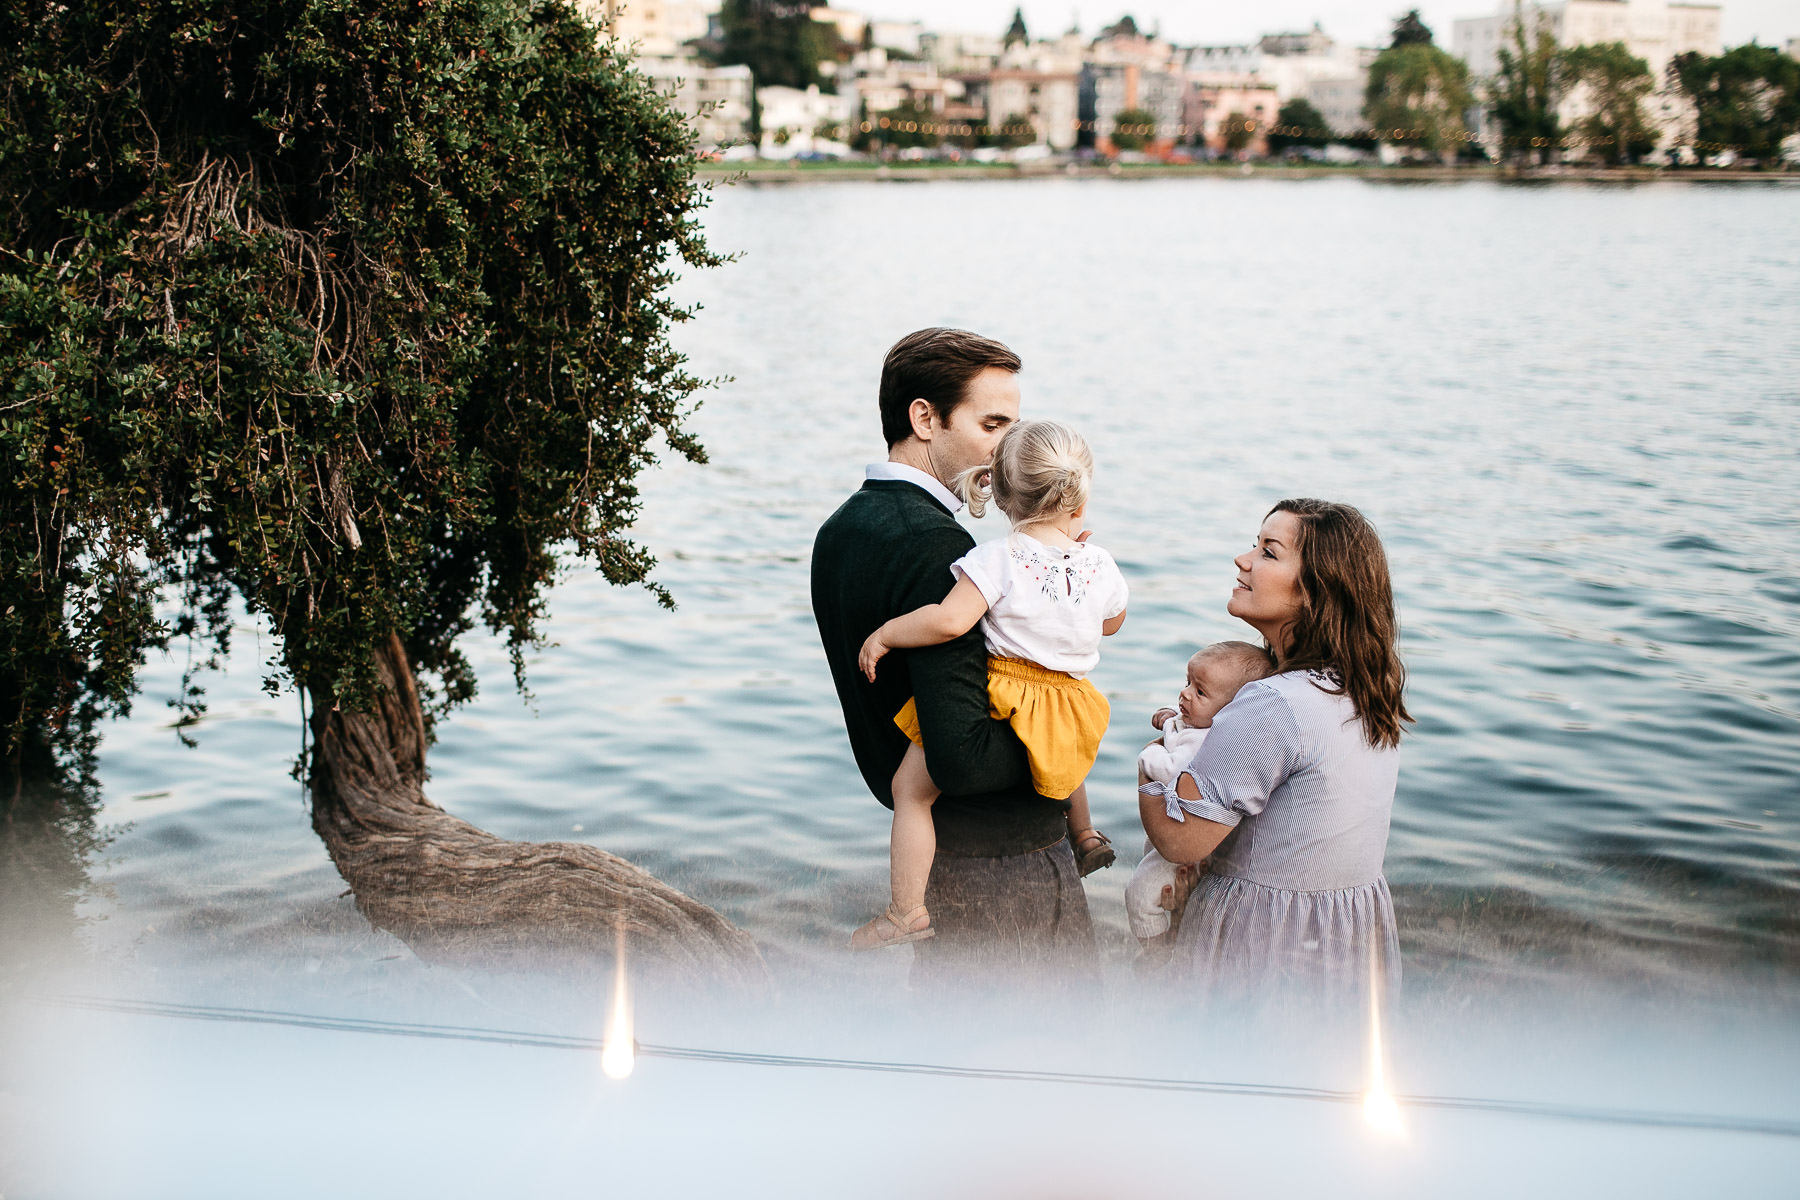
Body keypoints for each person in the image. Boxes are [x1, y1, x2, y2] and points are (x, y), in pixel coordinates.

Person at [811, 328, 1096, 984]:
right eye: (993, 424)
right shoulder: (943, 554)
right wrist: (1065, 733)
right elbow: (959, 759)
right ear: (924, 418)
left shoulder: (843, 528)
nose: (1010, 450)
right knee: (1045, 1066)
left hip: (939, 862)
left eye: (1014, 426)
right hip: (1002, 866)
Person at [851, 420, 1128, 950]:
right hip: (1070, 700)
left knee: (910, 792)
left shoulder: (995, 559)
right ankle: (1085, 835)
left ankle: (904, 911)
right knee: (1063, 757)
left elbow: (949, 622)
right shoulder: (1099, 563)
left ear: (1000, 494)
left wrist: (888, 633)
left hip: (1007, 694)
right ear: (1079, 500)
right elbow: (1110, 623)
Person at [1137, 499, 1410, 1001]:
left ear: (1314, 592)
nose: (1243, 560)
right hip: (1344, 932)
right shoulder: (1364, 686)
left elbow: (1182, 839)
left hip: (1264, 942)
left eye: (1268, 552)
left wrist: (1154, 762)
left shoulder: (1272, 703)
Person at [1123, 641, 1271, 953]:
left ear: (1229, 712)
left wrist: (1148, 755)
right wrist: (1166, 719)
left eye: (1200, 692)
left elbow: (1170, 768)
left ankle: (1156, 949)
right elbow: (1176, 727)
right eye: (1187, 683)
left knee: (1139, 892)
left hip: (1185, 842)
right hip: (1175, 836)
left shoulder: (1206, 741)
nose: (1186, 694)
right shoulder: (1197, 722)